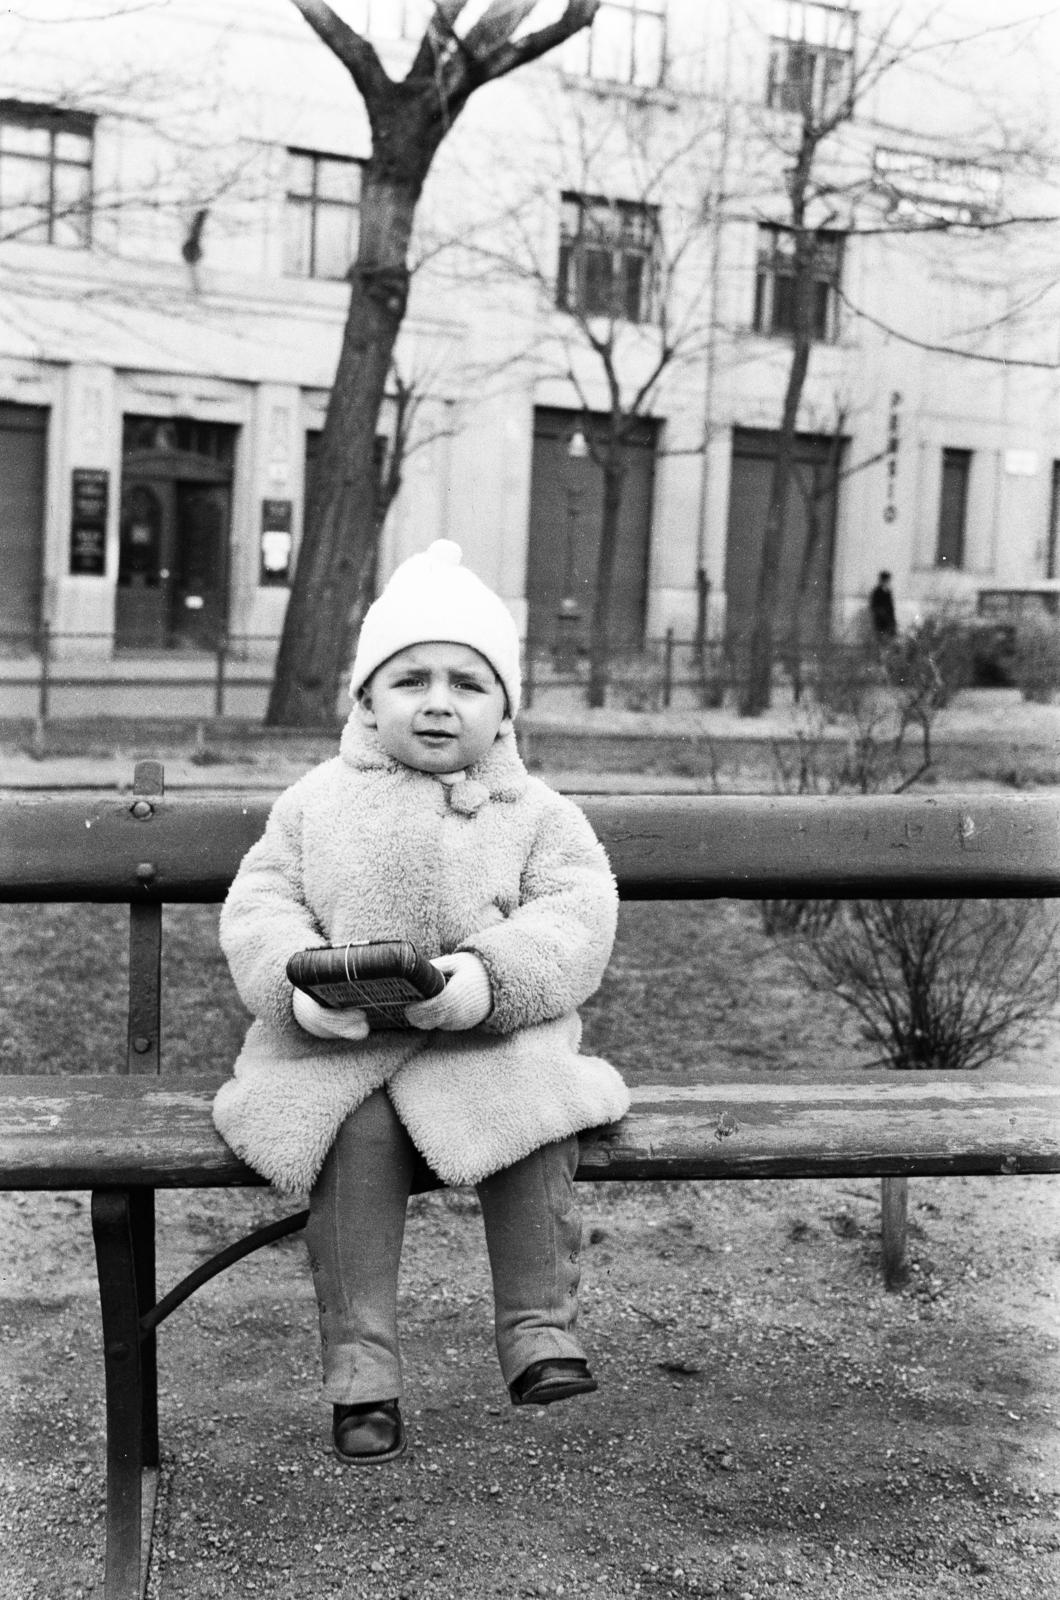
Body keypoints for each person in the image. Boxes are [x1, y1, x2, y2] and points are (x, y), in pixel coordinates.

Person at [213, 539, 629, 1467]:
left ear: (505, 708)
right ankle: (362, 1372)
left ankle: (538, 1330)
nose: (439, 702)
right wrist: (299, 990)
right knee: (350, 1135)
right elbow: (261, 906)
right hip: (347, 1044)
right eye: (411, 680)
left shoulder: (535, 812)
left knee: (533, 1116)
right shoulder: (316, 802)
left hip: (486, 1041)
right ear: (367, 699)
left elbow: (577, 914)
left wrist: (489, 980)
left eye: (468, 684)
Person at [869, 570, 897, 641]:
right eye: (886, 580)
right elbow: (874, 606)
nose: (888, 582)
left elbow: (891, 607)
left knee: (889, 639)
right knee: (881, 639)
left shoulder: (888, 592)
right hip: (880, 620)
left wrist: (892, 621)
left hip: (889, 620)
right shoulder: (877, 592)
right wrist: (881, 612)